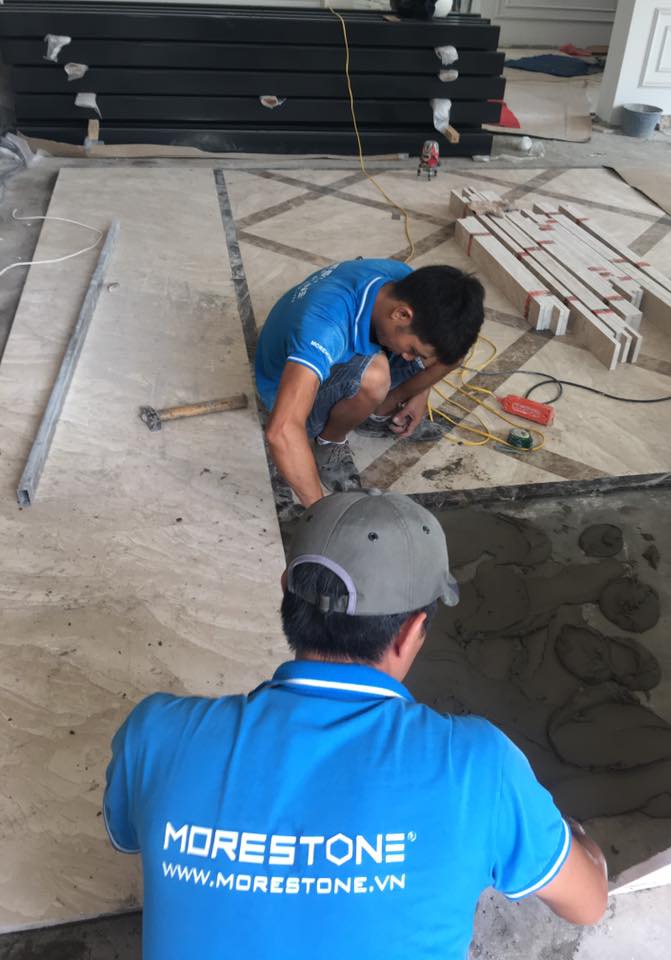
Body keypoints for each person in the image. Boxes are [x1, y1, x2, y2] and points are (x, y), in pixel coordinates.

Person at [104, 491, 607, 960]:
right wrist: (568, 836)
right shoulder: (479, 767)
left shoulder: (156, 734)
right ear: (412, 631)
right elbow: (588, 904)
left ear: (285, 593)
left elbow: (129, 836)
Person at [256, 259, 485, 506]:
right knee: (375, 377)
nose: (410, 359)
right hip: (286, 384)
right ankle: (330, 440)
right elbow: (282, 430)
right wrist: (320, 512)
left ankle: (379, 411)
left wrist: (420, 394)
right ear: (401, 314)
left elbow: (434, 351)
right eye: (412, 350)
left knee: (450, 356)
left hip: (342, 343)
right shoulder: (324, 327)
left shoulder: (404, 283)